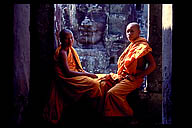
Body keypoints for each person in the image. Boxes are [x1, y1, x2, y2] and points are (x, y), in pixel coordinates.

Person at [43, 29, 102, 124]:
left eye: (71, 38)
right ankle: (95, 111)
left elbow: (77, 68)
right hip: (67, 79)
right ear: (61, 40)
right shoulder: (62, 52)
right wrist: (87, 74)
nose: (70, 41)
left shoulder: (71, 50)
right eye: (67, 39)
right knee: (94, 84)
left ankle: (93, 108)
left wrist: (86, 73)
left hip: (74, 74)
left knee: (99, 80)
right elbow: (67, 72)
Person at [98, 22, 156, 117]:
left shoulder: (142, 46)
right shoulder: (131, 46)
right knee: (101, 84)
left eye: (132, 31)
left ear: (139, 32)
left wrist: (137, 76)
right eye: (127, 32)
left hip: (133, 80)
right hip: (124, 77)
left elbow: (152, 65)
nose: (129, 34)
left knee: (112, 94)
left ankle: (129, 115)